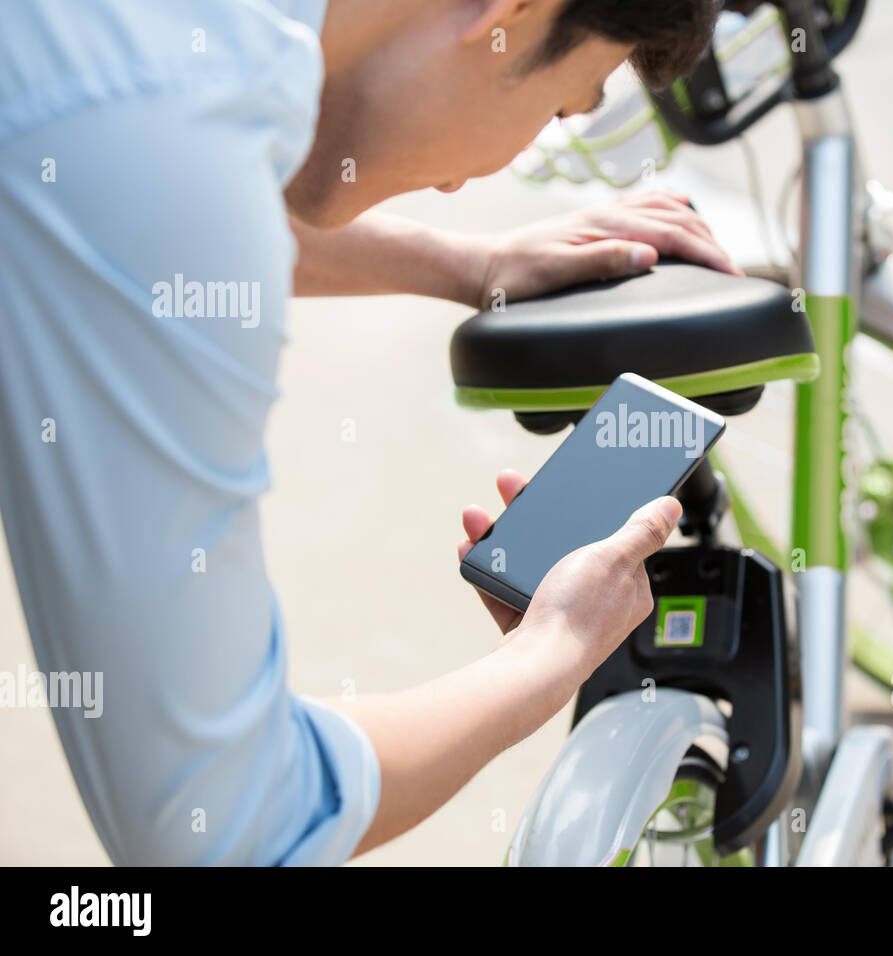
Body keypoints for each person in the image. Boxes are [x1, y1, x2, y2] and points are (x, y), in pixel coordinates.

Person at [0, 0, 735, 864]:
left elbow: (127, 193)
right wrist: (553, 652)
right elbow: (226, 828)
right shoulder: (157, 140)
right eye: (556, 109)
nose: (481, 172)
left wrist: (470, 264)